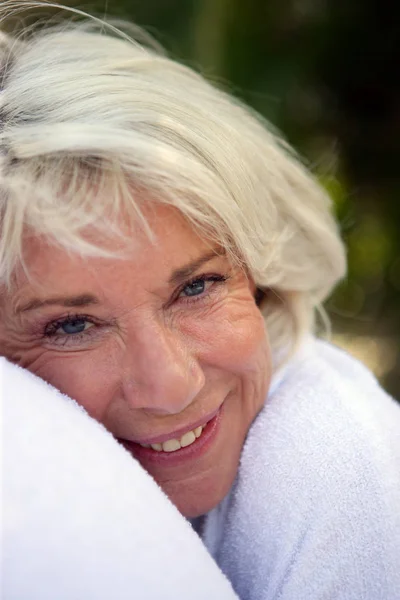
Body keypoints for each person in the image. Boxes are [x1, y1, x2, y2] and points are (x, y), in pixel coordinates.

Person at [0, 2, 399, 598]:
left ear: (263, 278)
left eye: (197, 287)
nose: (170, 385)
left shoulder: (344, 477)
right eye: (73, 325)